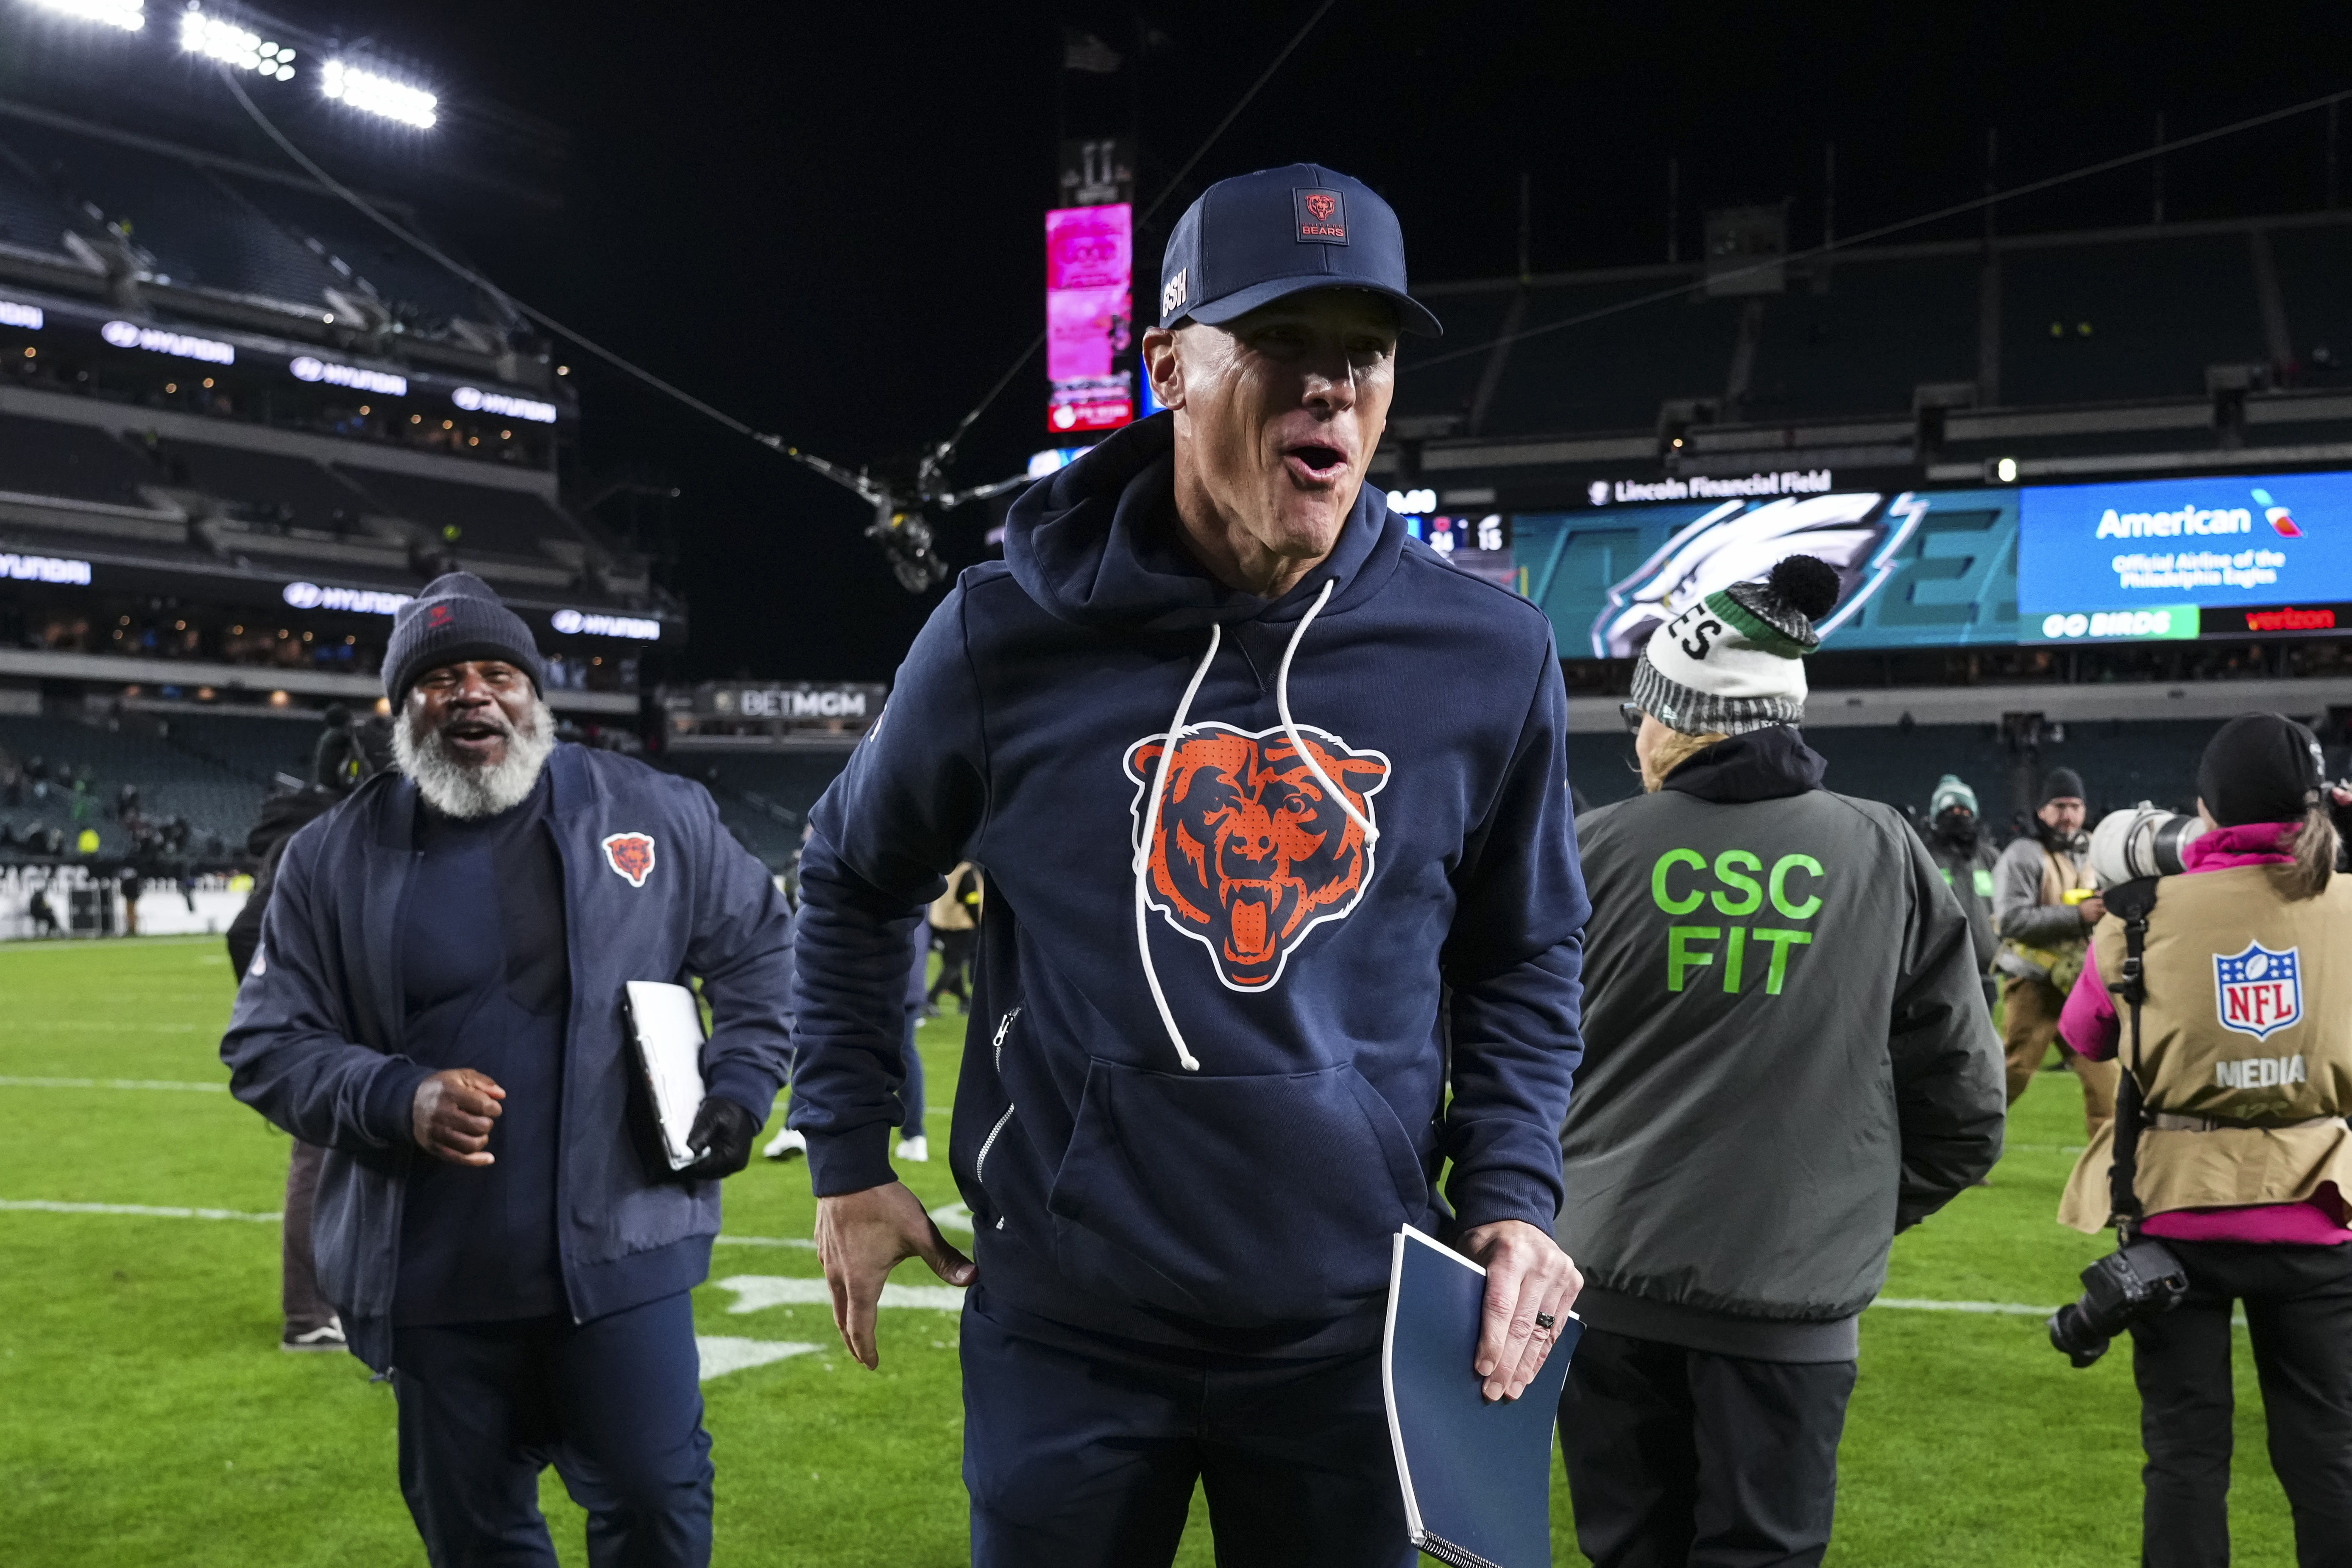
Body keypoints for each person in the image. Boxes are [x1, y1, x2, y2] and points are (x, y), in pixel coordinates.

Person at [789, 163, 1589, 1567]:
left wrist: (1512, 1191)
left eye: (1365, 354)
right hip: (1068, 1324)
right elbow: (852, 873)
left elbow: (1519, 946)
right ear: (1167, 365)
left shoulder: (1486, 656)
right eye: (1281, 344)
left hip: (1354, 1322)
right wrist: (849, 1156)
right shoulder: (999, 637)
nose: (1329, 389)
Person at [220, 572, 793, 1568]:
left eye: (496, 672)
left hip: (621, 1257)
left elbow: (759, 952)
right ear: (401, 708)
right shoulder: (328, 856)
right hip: (433, 1278)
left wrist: (741, 1087)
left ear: (535, 696)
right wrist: (397, 1096)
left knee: (660, 1505)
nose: (471, 693)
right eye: (439, 678)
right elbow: (265, 1043)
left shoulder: (657, 811)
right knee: (476, 1540)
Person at [1557, 555, 2005, 1568]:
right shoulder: (1888, 854)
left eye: (1645, 712)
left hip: (1601, 1291)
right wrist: (1836, 1212)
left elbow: (1507, 1070)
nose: (1637, 736)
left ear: (1676, 718)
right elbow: (1968, 1105)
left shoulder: (1585, 851)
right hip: (1788, 1306)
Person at [2055, 713, 2352, 1567]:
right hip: (2317, 1202)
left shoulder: (2138, 908)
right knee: (2326, 1455)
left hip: (2174, 1216)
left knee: (2183, 1459)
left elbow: (2085, 1037)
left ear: (2206, 806)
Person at [225, 707, 399, 1353]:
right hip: (330, 1038)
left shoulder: (312, 825)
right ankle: (308, 1313)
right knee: (319, 1162)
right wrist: (298, 1017)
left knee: (349, 1164)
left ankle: (346, 1300)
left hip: (344, 1031)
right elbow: (250, 934)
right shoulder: (320, 836)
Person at [1994, 767, 2118, 1136]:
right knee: (2012, 1074)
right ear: (2042, 811)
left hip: (2082, 984)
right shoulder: (2023, 854)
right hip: (2034, 983)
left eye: (2075, 806)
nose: (2068, 815)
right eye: (2059, 805)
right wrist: (2077, 915)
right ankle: (1955, 1150)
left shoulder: (2096, 850)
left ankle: (2109, 1174)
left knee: (2106, 1081)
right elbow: (2011, 921)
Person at [1923, 773, 2001, 1009]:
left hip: (1987, 972)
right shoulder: (1924, 858)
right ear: (1937, 817)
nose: (1959, 817)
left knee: (1985, 1042)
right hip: (1941, 973)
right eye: (1951, 812)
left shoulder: (1990, 857)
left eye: (1965, 812)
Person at [924, 861, 982, 1012]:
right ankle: (931, 999)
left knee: (952, 963)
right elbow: (971, 898)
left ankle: (964, 1000)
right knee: (954, 966)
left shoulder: (947, 869)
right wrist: (978, 921)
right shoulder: (966, 871)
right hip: (961, 924)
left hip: (941, 922)